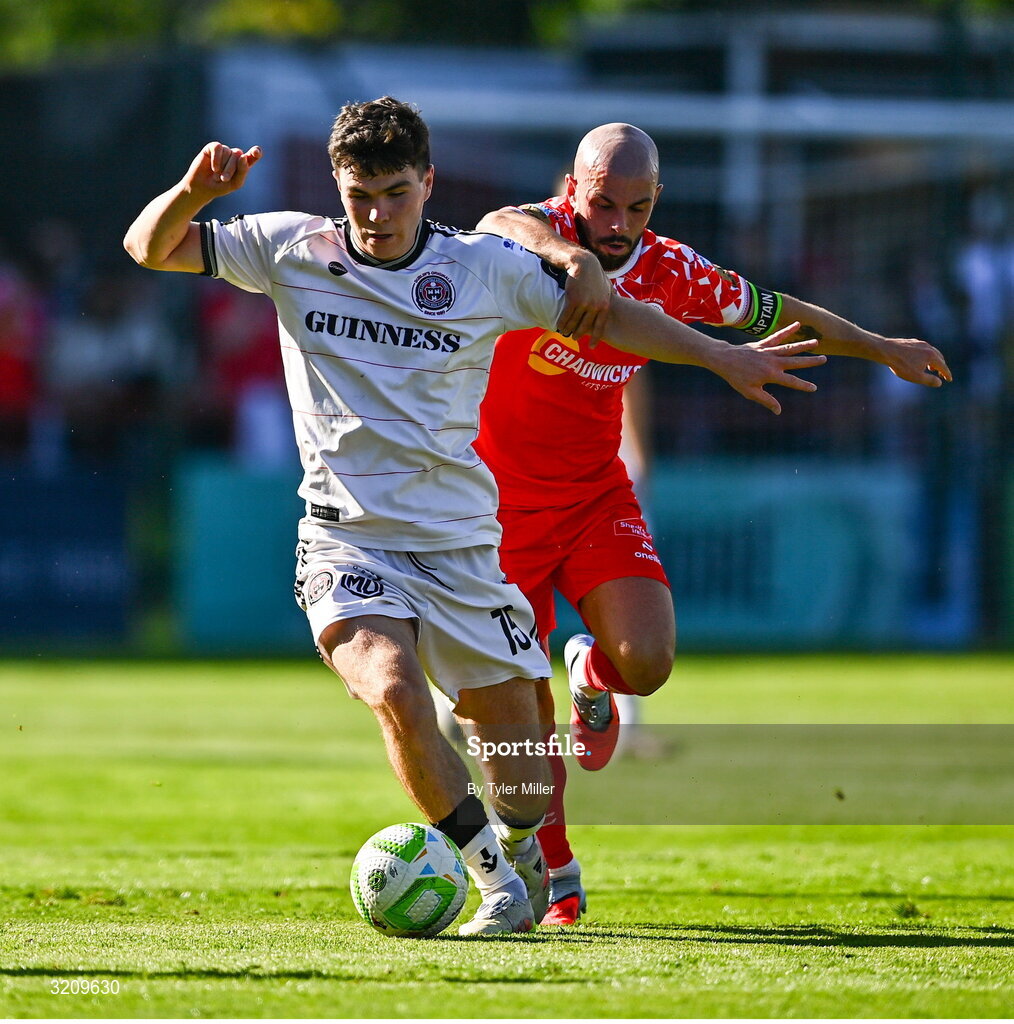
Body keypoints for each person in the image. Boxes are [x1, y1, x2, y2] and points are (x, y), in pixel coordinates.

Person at [123, 98, 825, 936]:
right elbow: (150, 247)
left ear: (427, 182)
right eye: (359, 194)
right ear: (338, 187)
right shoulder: (290, 247)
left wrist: (719, 354)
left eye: (394, 192)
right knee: (392, 686)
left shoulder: (479, 269)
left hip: (461, 550)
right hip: (347, 539)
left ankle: (521, 842)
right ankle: (496, 884)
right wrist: (192, 192)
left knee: (522, 781)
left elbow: (611, 318)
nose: (376, 215)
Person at [473, 122, 953, 925]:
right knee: (522, 718)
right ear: (572, 186)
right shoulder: (535, 237)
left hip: (594, 495)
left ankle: (593, 672)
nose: (617, 222)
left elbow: (777, 309)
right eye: (602, 202)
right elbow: (495, 223)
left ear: (656, 200)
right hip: (493, 508)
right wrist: (571, 256)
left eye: (635, 206)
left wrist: (881, 345)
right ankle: (556, 875)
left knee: (650, 661)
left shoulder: (674, 271)